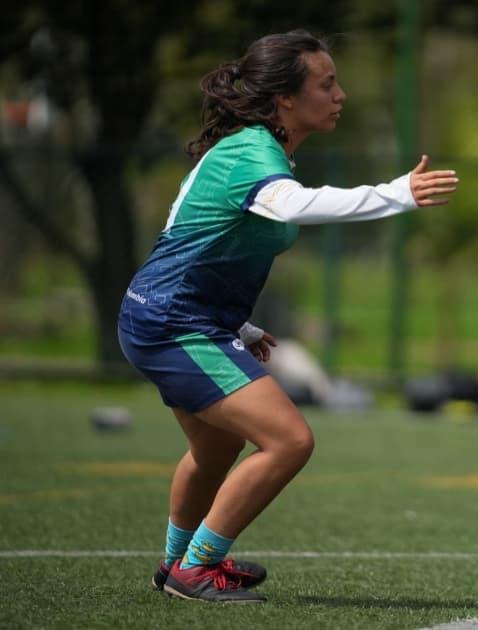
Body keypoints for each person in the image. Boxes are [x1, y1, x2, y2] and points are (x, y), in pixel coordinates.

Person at [117, 30, 458, 603]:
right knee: (289, 441)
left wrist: (238, 326)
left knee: (217, 450)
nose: (340, 94)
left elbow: (184, 236)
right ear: (285, 100)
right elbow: (293, 205)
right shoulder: (252, 152)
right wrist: (396, 193)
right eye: (326, 84)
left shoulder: (255, 152)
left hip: (172, 317)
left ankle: (175, 564)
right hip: (174, 324)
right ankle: (197, 568)